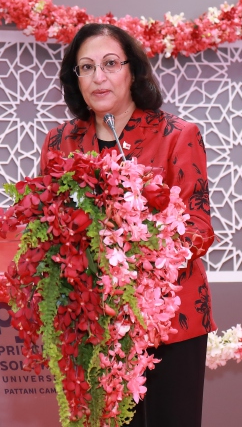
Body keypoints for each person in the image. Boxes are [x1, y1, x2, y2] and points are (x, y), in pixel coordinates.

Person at [40, 23, 215, 427]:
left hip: (169, 322)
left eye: (110, 64)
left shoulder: (176, 135)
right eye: (86, 67)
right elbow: (47, 224)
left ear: (132, 71)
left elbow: (198, 226)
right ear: (75, 79)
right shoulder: (59, 143)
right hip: (90, 320)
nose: (99, 77)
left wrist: (136, 253)